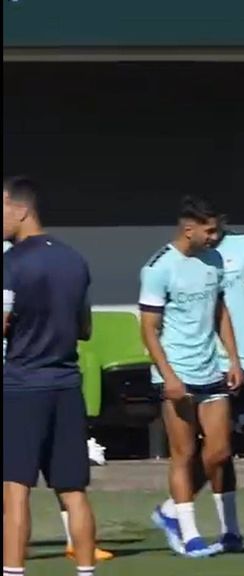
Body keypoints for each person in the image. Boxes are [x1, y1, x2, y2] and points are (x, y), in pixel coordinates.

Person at [153, 216, 244, 554]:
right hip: (209, 367)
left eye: (217, 227)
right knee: (218, 453)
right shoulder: (184, 260)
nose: (213, 235)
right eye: (208, 228)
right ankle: (228, 530)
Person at [3, 177, 98, 576]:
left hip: (22, 387)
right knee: (73, 492)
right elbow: (85, 328)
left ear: (21, 209)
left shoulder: (10, 263)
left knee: (15, 489)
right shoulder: (75, 259)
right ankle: (87, 571)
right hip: (66, 386)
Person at [142, 196, 244, 558]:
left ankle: (169, 510)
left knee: (219, 452)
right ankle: (189, 533)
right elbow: (149, 330)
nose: (216, 237)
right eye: (210, 230)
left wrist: (233, 358)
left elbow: (220, 312)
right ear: (189, 229)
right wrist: (168, 376)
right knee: (183, 454)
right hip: (177, 374)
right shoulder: (158, 267)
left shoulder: (214, 260)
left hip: (210, 371)